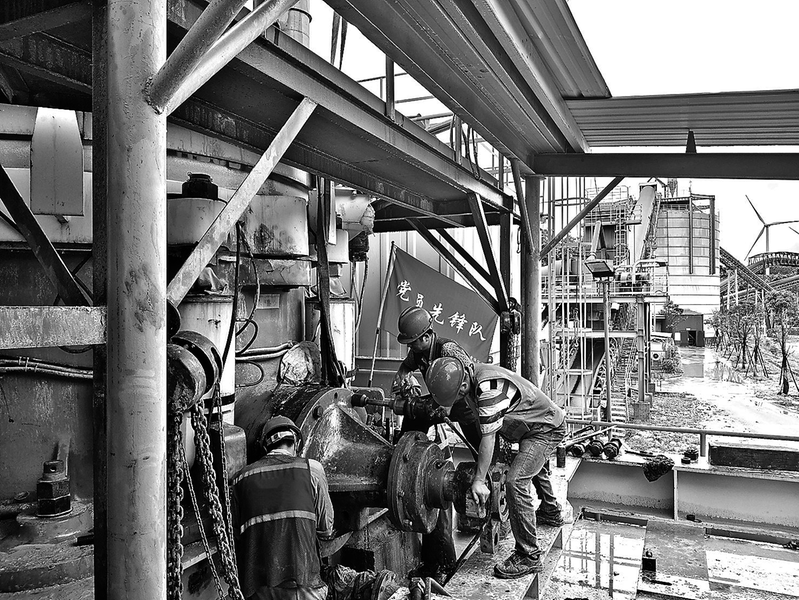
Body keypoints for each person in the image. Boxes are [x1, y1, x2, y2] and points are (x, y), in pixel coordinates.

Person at [425, 356, 567, 580]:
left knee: (516, 481)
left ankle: (529, 556)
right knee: (531, 464)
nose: (458, 400)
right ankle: (551, 512)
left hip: (546, 429)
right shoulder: (470, 376)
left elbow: (488, 437)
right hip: (532, 425)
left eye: (457, 396)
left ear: (463, 384)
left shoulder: (488, 390)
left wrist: (479, 480)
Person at [390, 306, 478, 583]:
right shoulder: (418, 352)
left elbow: (469, 378)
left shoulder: (448, 351)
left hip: (464, 404)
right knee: (414, 417)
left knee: (481, 448)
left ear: (427, 336)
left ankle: (483, 479)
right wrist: (403, 375)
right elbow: (407, 364)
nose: (411, 347)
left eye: (413, 342)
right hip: (439, 401)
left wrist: (450, 405)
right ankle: (403, 454)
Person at [231, 416, 335, 600]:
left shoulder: (241, 478)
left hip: (257, 587)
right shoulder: (312, 470)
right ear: (296, 443)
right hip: (301, 581)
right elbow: (326, 529)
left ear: (265, 447)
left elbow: (236, 534)